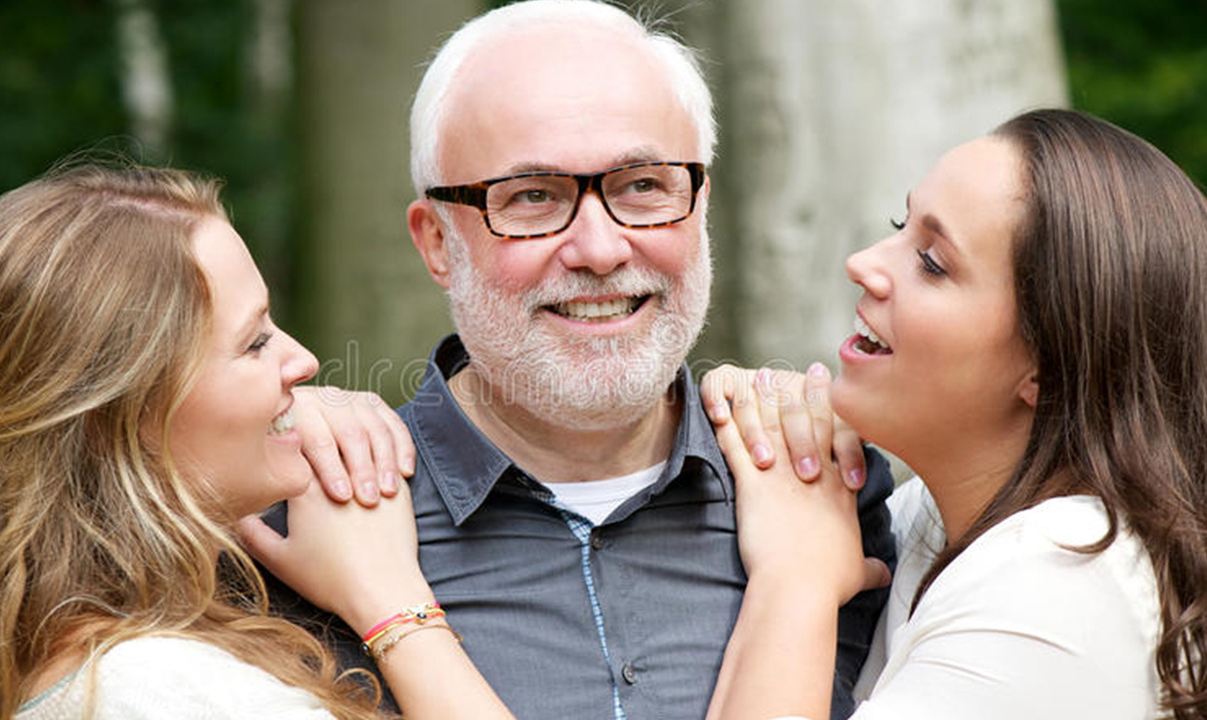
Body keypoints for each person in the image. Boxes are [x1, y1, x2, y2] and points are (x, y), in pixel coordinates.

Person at [258, 2, 895, 720]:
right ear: (437, 241)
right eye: (533, 197)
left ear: (701, 206)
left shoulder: (828, 482)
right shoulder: (306, 520)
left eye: (643, 186)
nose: (600, 249)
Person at [0, 162, 504, 720]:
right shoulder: (162, 691)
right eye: (254, 343)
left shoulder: (25, 649)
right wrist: (394, 605)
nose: (303, 361)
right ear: (116, 417)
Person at [699, 108, 1207, 719]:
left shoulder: (1061, 578)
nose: (863, 262)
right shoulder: (936, 520)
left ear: (1047, 366)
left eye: (933, 262)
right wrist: (767, 429)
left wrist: (793, 580)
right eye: (900, 225)